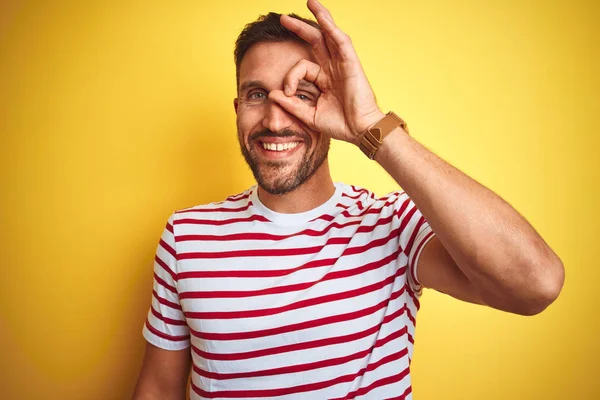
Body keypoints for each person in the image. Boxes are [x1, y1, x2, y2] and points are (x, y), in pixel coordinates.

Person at [132, 0, 565, 398]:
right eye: (257, 94)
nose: (276, 119)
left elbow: (536, 285)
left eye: (301, 94)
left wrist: (371, 126)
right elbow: (157, 390)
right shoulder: (187, 235)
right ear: (238, 108)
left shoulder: (393, 224)